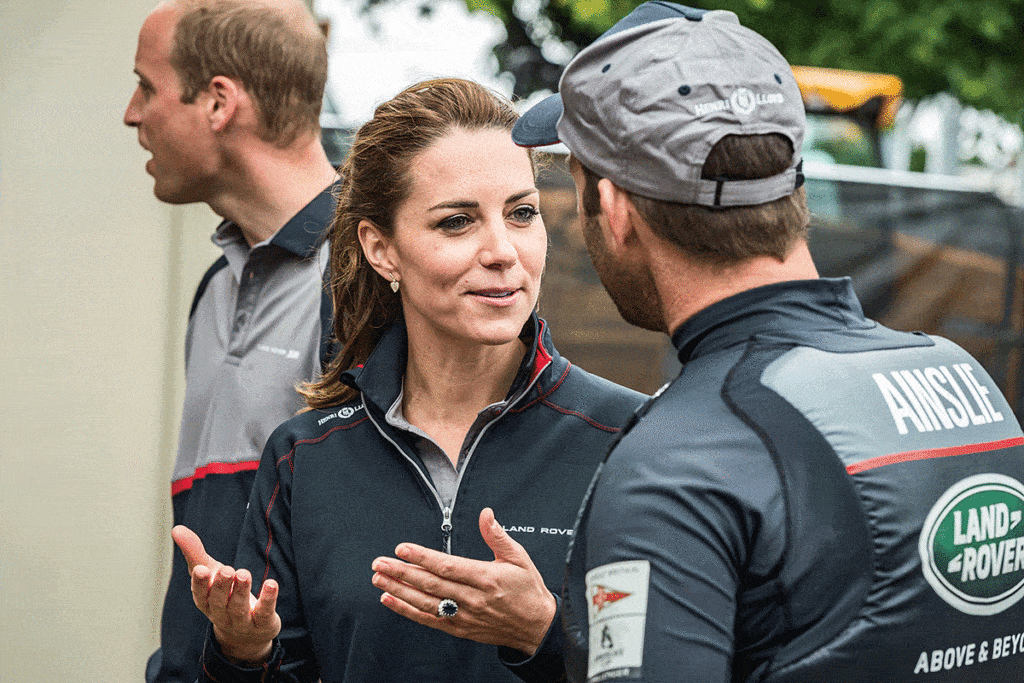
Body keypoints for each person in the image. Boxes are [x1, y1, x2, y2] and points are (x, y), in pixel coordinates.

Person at [375, 4, 1024, 682]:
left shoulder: (678, 460)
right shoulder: (964, 381)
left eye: (569, 190)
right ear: (790, 180)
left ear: (617, 209)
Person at [171, 77, 646, 683]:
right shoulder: (304, 458)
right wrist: (243, 655)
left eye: (522, 213)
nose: (503, 250)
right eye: (457, 222)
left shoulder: (628, 439)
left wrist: (544, 634)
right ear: (381, 249)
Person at [123, 1, 339, 681]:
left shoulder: (365, 283)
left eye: (147, 86)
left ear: (218, 101)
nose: (132, 114)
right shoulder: (215, 289)